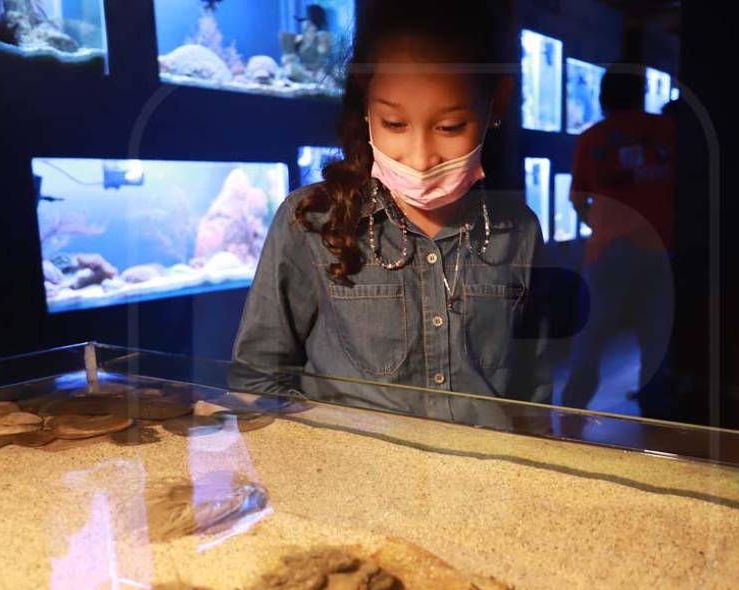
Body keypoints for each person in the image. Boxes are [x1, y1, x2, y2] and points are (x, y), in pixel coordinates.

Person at [230, 1, 552, 427]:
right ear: (366, 98)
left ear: (497, 104)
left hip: (485, 483)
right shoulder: (313, 222)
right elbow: (257, 378)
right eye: (394, 124)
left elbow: (534, 391)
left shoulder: (518, 230)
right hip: (353, 483)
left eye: (450, 127)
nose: (420, 159)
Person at [560, 69, 675, 419]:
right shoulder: (669, 132)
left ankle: (571, 415)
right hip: (662, 247)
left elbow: (578, 198)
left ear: (603, 97)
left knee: (591, 336)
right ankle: (655, 421)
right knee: (656, 338)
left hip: (609, 250)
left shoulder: (593, 137)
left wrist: (599, 226)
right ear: (640, 94)